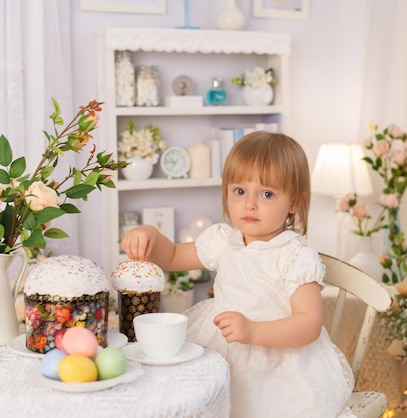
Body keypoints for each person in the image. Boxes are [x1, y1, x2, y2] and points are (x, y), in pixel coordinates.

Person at [121, 131, 355, 417]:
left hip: (275, 356)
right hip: (222, 343)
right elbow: (171, 256)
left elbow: (309, 323)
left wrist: (254, 330)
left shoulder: (295, 255)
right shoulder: (224, 241)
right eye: (239, 191)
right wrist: (149, 235)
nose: (250, 204)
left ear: (294, 202)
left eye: (267, 194)